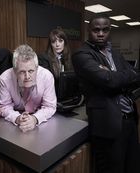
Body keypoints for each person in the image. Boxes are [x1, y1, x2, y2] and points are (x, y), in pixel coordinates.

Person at [72, 14, 140, 173]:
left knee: (133, 166)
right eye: (96, 30)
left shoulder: (114, 53)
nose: (101, 33)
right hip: (108, 126)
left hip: (130, 119)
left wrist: (116, 76)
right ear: (89, 30)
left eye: (105, 30)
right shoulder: (82, 55)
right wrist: (119, 76)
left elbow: (135, 76)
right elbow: (109, 80)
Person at [0, 44, 57, 132]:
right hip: (15, 124)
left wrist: (35, 119)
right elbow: (5, 106)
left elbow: (50, 106)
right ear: (15, 71)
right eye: (22, 72)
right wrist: (17, 118)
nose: (27, 76)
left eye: (31, 71)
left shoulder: (47, 76)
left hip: (41, 123)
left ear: (37, 68)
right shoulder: (4, 79)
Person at [38, 28, 72, 93]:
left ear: (64, 42)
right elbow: (46, 82)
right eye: (54, 42)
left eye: (60, 41)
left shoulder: (67, 57)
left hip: (66, 94)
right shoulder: (43, 58)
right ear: (50, 44)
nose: (57, 44)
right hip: (51, 93)